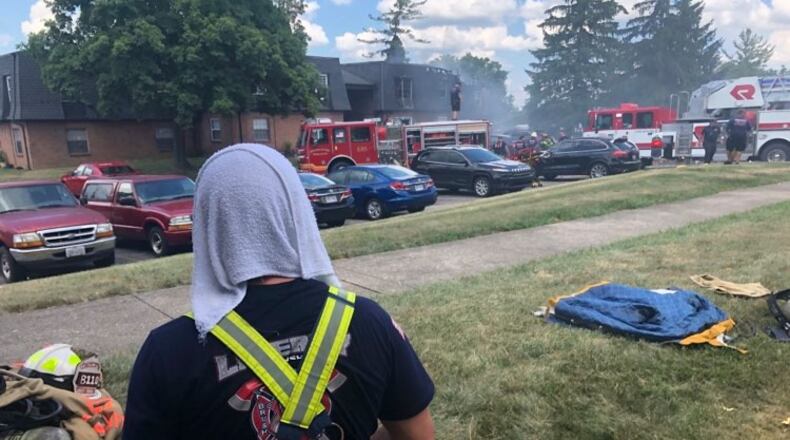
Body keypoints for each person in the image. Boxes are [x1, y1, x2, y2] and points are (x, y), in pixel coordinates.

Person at [124, 145, 435, 440]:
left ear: (207, 222)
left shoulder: (168, 352)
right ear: (297, 212)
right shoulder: (370, 322)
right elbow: (418, 435)